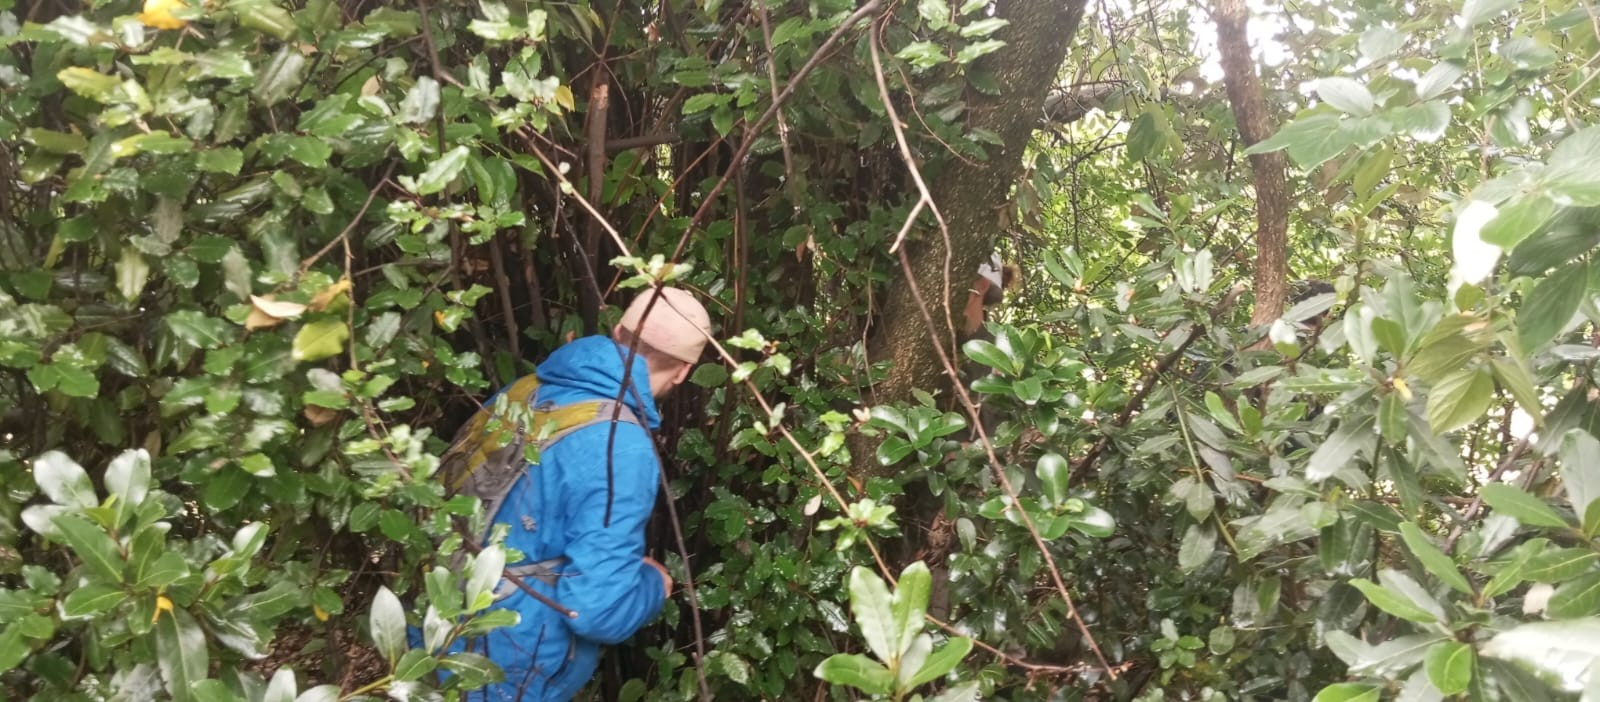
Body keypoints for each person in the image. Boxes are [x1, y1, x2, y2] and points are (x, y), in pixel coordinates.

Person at [446, 286, 712, 701]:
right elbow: (595, 611)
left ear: (619, 330)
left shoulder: (525, 390)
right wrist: (652, 585)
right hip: (505, 667)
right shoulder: (619, 445)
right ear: (683, 371)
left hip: (437, 625)